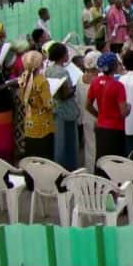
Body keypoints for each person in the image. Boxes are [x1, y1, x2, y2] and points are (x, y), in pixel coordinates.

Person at [87, 52, 129, 160]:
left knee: (101, 160)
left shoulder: (95, 82)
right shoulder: (118, 86)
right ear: (114, 66)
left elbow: (88, 106)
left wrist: (99, 115)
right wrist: (129, 107)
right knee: (115, 163)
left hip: (101, 128)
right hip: (115, 130)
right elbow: (123, 112)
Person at [45, 43, 79, 171]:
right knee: (68, 143)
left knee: (58, 141)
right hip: (66, 109)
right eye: (66, 53)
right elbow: (65, 94)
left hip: (54, 107)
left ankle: (58, 168)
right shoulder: (63, 72)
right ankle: (67, 169)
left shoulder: (48, 70)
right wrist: (74, 88)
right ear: (62, 55)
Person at [19, 51, 55, 159]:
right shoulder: (41, 81)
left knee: (31, 153)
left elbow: (22, 98)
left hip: (29, 121)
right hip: (43, 123)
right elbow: (48, 104)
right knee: (43, 155)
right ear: (39, 65)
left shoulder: (23, 77)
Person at [79, 50, 101, 172]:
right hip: (97, 117)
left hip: (86, 117)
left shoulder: (80, 79)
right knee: (98, 147)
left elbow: (78, 99)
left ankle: (90, 171)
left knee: (89, 146)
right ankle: (97, 173)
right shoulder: (98, 81)